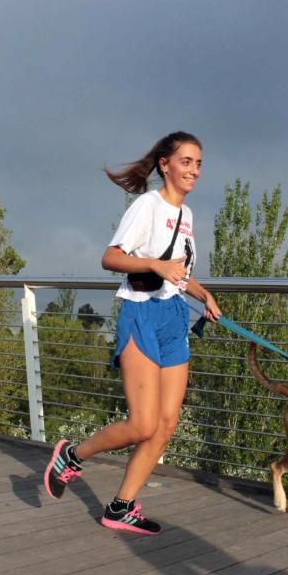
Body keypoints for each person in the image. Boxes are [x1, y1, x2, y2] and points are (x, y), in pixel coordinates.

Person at [44, 131, 222, 535]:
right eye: (186, 161)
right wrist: (156, 267)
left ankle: (121, 507)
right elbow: (111, 257)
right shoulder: (148, 205)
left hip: (174, 317)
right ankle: (72, 455)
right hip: (141, 315)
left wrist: (203, 294)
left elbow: (180, 272)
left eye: (198, 163)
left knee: (167, 423)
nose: (194, 170)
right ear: (165, 164)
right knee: (142, 424)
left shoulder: (188, 216)